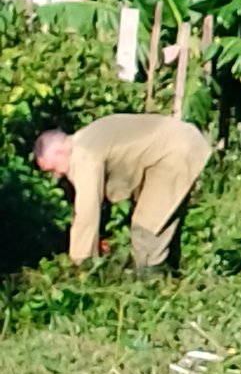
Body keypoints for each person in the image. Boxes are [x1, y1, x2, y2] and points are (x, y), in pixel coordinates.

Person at [34, 114, 211, 273]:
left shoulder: (84, 156)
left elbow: (87, 211)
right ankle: (170, 279)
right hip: (178, 142)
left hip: (174, 152)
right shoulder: (86, 138)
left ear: (59, 152)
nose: (56, 176)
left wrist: (81, 263)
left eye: (52, 169)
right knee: (162, 222)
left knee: (147, 229)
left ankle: (151, 288)